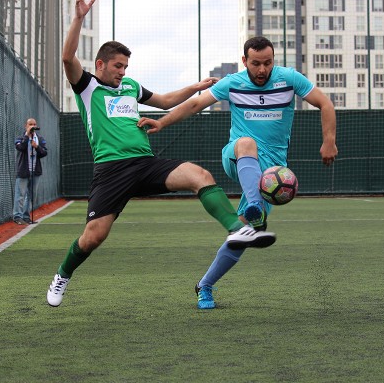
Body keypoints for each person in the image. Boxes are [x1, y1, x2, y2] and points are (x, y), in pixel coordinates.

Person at [47, 0, 275, 307]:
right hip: (111, 171)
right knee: (93, 237)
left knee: (200, 176)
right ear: (100, 64)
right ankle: (63, 274)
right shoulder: (87, 86)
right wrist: (78, 18)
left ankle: (238, 229)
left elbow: (165, 102)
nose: (122, 72)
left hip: (145, 163)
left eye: (126, 66)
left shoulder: (130, 87)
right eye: (117, 66)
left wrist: (195, 87)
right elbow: (67, 58)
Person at [138, 36, 338, 309]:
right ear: (245, 61)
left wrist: (329, 141)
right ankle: (256, 204)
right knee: (246, 143)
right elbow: (196, 104)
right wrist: (162, 122)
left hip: (271, 174)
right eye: (256, 63)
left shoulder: (290, 79)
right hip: (237, 156)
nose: (262, 69)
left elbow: (325, 104)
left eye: (268, 63)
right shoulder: (233, 82)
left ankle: (205, 285)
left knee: (241, 235)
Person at [13, 118, 47, 225]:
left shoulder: (40, 139)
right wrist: (27, 135)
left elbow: (44, 152)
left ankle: (26, 216)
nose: (32, 126)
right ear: (26, 126)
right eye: (30, 124)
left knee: (31, 196)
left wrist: (36, 147)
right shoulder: (20, 138)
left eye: (34, 124)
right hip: (23, 171)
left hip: (35, 171)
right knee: (20, 195)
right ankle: (17, 216)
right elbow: (21, 148)